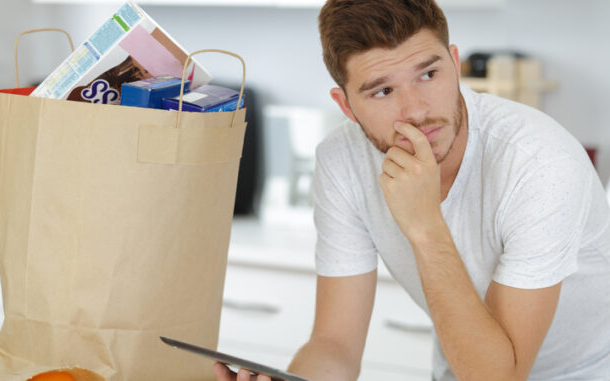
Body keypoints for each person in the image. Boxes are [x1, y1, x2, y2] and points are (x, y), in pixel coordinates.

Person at [214, 0, 610, 380]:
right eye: (383, 91)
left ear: (455, 64)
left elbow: (498, 377)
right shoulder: (343, 161)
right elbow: (335, 344)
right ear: (347, 107)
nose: (417, 110)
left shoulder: (539, 163)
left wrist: (425, 226)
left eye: (428, 74)